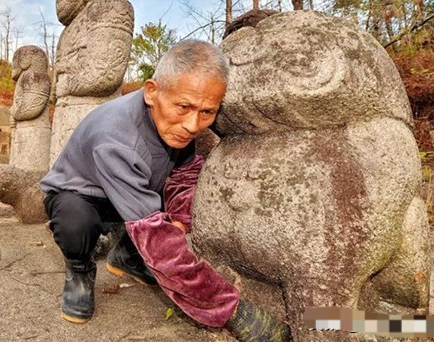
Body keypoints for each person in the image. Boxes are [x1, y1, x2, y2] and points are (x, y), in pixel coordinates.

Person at [40, 39, 291, 341]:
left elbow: (185, 175)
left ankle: (128, 258)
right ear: (151, 92)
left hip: (134, 194)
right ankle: (79, 270)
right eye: (183, 107)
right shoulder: (116, 139)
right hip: (82, 195)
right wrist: (231, 311)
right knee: (76, 222)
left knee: (159, 218)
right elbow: (158, 242)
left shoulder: (176, 123)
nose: (193, 125)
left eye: (207, 112)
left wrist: (181, 220)